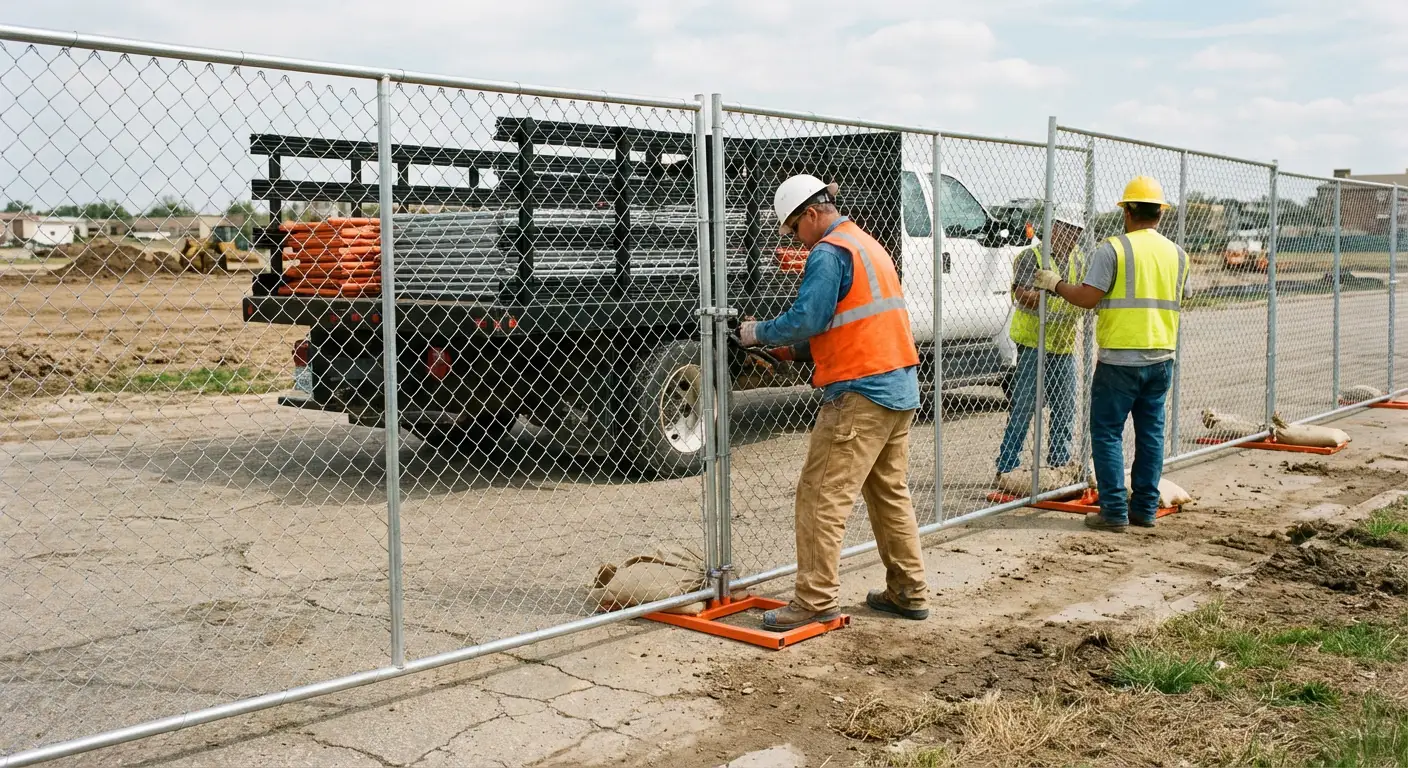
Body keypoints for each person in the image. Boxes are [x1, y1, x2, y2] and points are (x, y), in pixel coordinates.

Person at [736, 174, 930, 630]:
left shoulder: (828, 252)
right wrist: (787, 348)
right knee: (889, 496)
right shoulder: (865, 244)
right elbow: (847, 321)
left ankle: (815, 598)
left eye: (791, 229)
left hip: (859, 393)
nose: (794, 239)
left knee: (820, 497)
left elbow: (810, 316)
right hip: (897, 387)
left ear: (810, 214)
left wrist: (756, 332)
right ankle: (908, 590)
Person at [1032, 176, 1188, 532]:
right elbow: (1183, 295)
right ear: (1160, 214)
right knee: (1150, 435)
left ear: (1128, 211)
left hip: (1119, 358)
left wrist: (1054, 283)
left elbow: (1088, 298)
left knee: (1106, 433)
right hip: (1161, 356)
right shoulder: (1177, 254)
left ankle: (1114, 511)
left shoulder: (1113, 249)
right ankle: (1145, 510)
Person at [995, 206, 1088, 479]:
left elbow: (1083, 293)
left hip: (1063, 344)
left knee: (1064, 407)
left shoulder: (1079, 260)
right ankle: (1007, 466)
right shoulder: (1031, 256)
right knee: (1024, 405)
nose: (1072, 237)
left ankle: (1058, 466)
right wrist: (1058, 291)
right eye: (1068, 230)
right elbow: (1023, 295)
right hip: (1033, 343)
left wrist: (1055, 289)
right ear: (1054, 228)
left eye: (1077, 232)